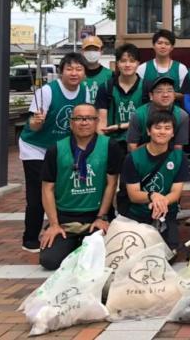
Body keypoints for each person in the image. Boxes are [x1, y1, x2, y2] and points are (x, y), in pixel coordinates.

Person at [19, 53, 88, 253]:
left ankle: (59, 227)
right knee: (38, 191)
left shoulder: (85, 92)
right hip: (35, 147)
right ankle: (30, 238)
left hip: (60, 148)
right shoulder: (47, 92)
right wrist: (37, 122)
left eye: (78, 69)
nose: (74, 73)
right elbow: (32, 125)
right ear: (61, 72)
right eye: (69, 69)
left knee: (61, 189)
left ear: (84, 73)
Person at [38, 104, 121, 269]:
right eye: (78, 118)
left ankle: (80, 244)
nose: (84, 122)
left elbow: (111, 184)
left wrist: (102, 217)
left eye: (89, 118)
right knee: (49, 261)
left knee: (98, 259)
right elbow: (47, 188)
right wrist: (54, 224)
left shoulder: (110, 146)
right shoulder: (56, 149)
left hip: (95, 218)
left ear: (97, 122)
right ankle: (71, 242)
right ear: (71, 123)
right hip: (65, 220)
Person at [121, 110, 190, 250]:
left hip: (165, 212)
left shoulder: (179, 157)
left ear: (173, 133)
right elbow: (133, 194)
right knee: (135, 250)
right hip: (138, 212)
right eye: (157, 127)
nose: (162, 132)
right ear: (148, 131)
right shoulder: (133, 158)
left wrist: (162, 202)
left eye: (167, 128)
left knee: (170, 251)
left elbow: (176, 193)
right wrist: (153, 195)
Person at [96, 43, 143, 156]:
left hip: (140, 141)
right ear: (117, 64)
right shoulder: (106, 87)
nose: (127, 65)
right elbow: (101, 122)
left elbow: (148, 118)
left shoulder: (146, 87)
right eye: (123, 61)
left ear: (138, 63)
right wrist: (102, 147)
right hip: (113, 142)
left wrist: (120, 126)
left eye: (132, 61)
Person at [127, 76, 189, 151]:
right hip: (142, 155)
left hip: (170, 157)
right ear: (151, 96)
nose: (165, 95)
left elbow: (178, 148)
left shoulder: (182, 116)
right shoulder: (138, 114)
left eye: (169, 91)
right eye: (160, 91)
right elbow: (131, 147)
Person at [137, 29, 189, 101]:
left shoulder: (181, 68)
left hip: (173, 110)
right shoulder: (142, 68)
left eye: (167, 44)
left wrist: (169, 95)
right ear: (153, 45)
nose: (163, 46)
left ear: (172, 47)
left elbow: (185, 95)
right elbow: (138, 92)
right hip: (150, 110)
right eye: (159, 43)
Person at [80, 35, 112, 104]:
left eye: (95, 49)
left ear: (101, 51)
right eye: (88, 49)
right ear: (82, 52)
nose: (91, 52)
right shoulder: (77, 74)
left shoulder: (110, 75)